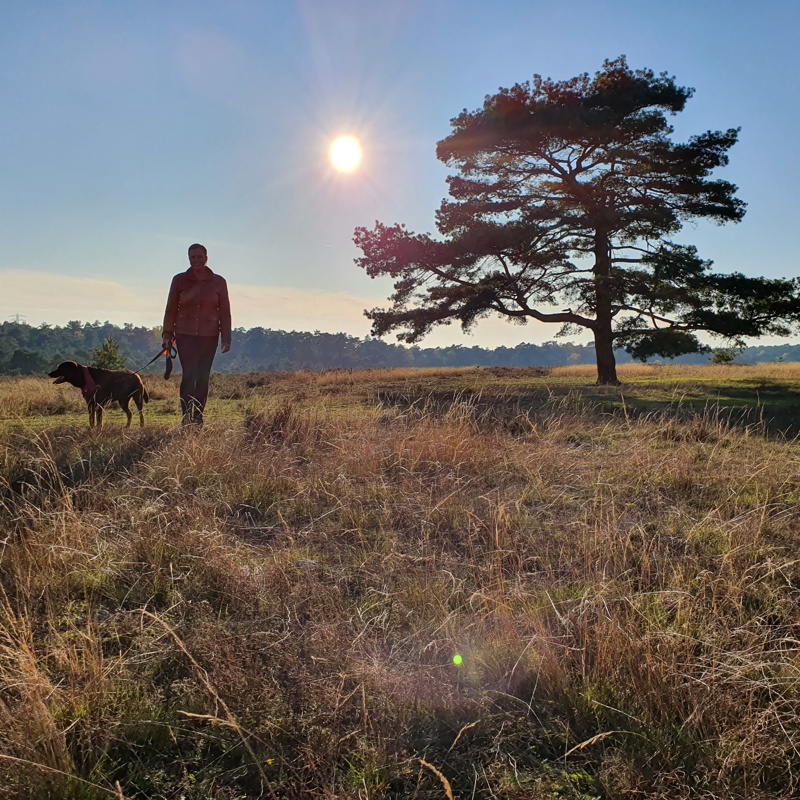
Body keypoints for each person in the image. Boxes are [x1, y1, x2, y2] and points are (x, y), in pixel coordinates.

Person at [161, 243, 232, 426]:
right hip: (185, 334)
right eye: (193, 257)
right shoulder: (179, 280)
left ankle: (198, 417)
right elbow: (170, 308)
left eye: (199, 257)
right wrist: (167, 333)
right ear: (189, 259)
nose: (196, 261)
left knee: (202, 376)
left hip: (209, 337)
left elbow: (225, 311)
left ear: (206, 258)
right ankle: (186, 417)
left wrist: (226, 338)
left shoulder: (219, 282)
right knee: (189, 375)